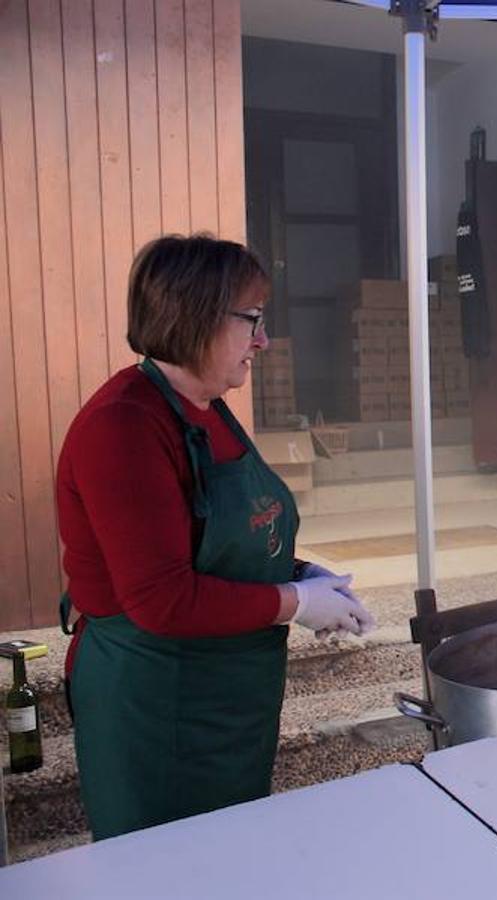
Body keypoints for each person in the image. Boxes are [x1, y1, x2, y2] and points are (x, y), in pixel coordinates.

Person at [57, 234, 376, 840]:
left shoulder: (207, 407)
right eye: (252, 320)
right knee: (165, 867)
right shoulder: (123, 426)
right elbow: (161, 599)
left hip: (229, 698)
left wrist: (298, 573)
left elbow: (212, 537)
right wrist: (296, 604)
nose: (263, 340)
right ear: (195, 314)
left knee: (228, 854)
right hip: (156, 702)